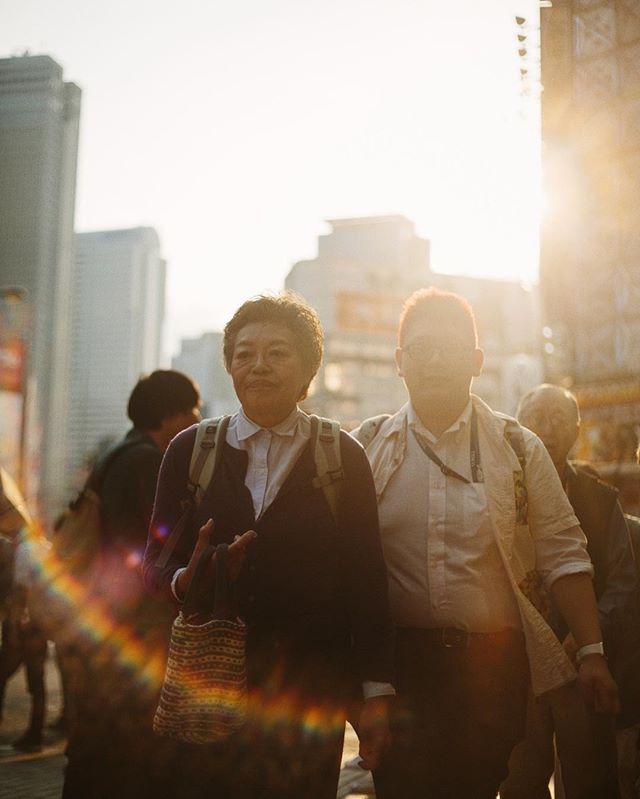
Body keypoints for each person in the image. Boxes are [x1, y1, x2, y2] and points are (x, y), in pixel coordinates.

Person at [352, 287, 619, 799]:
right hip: (396, 668)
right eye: (421, 349)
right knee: (400, 786)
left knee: (475, 785)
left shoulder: (517, 447)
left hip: (491, 667)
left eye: (450, 349)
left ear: (476, 361)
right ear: (399, 362)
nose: (434, 361)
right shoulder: (367, 447)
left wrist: (592, 652)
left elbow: (563, 552)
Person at [143, 293, 394, 799]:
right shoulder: (191, 451)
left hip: (308, 700)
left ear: (308, 370)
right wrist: (184, 580)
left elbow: (367, 582)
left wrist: (374, 694)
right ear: (230, 366)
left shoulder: (342, 457)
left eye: (277, 353)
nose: (258, 366)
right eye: (244, 353)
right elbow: (152, 566)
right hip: (209, 695)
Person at [61, 369, 201, 799]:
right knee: (127, 749)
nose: (195, 419)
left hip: (103, 620)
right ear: (170, 414)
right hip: (132, 626)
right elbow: (144, 546)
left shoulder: (116, 454)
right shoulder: (145, 461)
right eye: (191, 410)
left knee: (98, 745)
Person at [501, 383, 637, 799]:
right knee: (520, 778)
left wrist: (588, 635)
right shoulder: (498, 491)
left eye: (559, 419)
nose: (548, 428)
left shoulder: (597, 497)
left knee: (589, 778)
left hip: (582, 661)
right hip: (516, 663)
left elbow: (622, 581)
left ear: (577, 430)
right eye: (537, 417)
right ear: (519, 426)